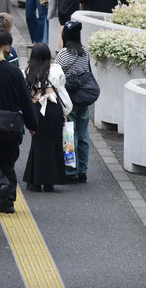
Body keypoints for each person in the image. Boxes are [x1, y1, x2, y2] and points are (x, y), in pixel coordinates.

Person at [0, 30, 39, 214]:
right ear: (5, 48)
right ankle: (8, 200)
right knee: (7, 163)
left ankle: (0, 187)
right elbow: (25, 100)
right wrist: (32, 125)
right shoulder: (14, 72)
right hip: (12, 127)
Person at [23, 43, 72, 192]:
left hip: (37, 108)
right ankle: (50, 182)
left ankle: (35, 182)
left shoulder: (27, 71)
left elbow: (24, 90)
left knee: (37, 144)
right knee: (54, 143)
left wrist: (32, 96)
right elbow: (61, 88)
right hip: (53, 108)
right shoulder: (56, 69)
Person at [55, 21, 92, 183]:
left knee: (70, 135)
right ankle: (83, 171)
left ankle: (71, 171)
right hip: (84, 98)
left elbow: (55, 75)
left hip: (68, 100)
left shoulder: (63, 54)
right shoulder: (85, 52)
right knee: (83, 135)